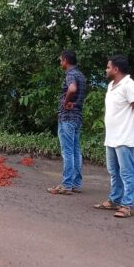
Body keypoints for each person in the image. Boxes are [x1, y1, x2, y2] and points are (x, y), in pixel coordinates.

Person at [93, 55, 134, 218]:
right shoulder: (111, 85)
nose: (106, 69)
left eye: (108, 67)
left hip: (125, 136)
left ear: (116, 69)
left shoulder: (129, 86)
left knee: (127, 172)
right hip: (112, 136)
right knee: (113, 171)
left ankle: (127, 205)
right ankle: (115, 199)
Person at [47, 50, 87, 195]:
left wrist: (66, 102)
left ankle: (66, 184)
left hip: (67, 117)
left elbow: (72, 88)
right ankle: (75, 183)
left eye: (60, 60)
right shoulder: (81, 75)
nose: (60, 63)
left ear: (65, 60)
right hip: (77, 117)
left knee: (67, 151)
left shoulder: (70, 75)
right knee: (76, 150)